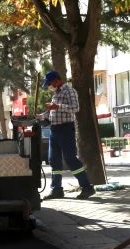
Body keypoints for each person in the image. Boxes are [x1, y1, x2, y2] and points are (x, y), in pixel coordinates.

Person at [40, 70, 96, 200]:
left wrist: (57, 106)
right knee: (53, 159)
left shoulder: (69, 91)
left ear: (56, 80)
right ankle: (56, 190)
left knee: (70, 159)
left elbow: (75, 108)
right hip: (54, 130)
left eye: (50, 83)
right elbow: (52, 112)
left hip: (65, 129)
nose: (50, 86)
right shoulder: (56, 94)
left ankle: (87, 187)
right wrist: (41, 116)